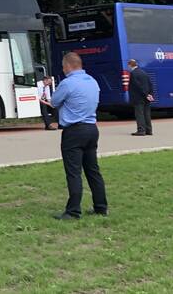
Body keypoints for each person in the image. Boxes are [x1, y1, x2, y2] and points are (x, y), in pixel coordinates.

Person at [50, 51, 108, 219]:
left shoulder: (68, 83)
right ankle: (101, 206)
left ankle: (73, 210)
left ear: (68, 65)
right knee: (92, 169)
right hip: (91, 127)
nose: (63, 69)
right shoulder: (93, 81)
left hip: (74, 130)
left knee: (73, 172)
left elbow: (54, 101)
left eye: (63, 66)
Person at [127, 58, 154, 136]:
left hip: (139, 97)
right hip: (147, 97)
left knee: (139, 114)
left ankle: (141, 130)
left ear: (130, 65)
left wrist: (145, 94)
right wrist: (150, 94)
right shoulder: (143, 72)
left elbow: (137, 86)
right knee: (147, 113)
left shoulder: (133, 73)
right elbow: (150, 84)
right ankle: (149, 130)